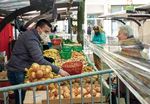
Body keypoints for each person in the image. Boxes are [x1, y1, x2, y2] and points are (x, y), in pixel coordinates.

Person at [6, 19, 69, 104]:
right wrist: (59, 70)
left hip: (18, 68)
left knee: (20, 96)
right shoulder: (31, 38)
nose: (47, 34)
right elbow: (39, 60)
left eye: (48, 32)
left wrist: (45, 58)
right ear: (39, 29)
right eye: (45, 31)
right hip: (18, 71)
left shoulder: (32, 35)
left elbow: (35, 54)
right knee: (23, 98)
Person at [117, 25, 143, 104]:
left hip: (132, 83)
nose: (117, 36)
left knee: (132, 100)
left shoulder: (128, 47)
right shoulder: (130, 45)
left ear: (125, 34)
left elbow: (125, 64)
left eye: (119, 34)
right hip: (133, 83)